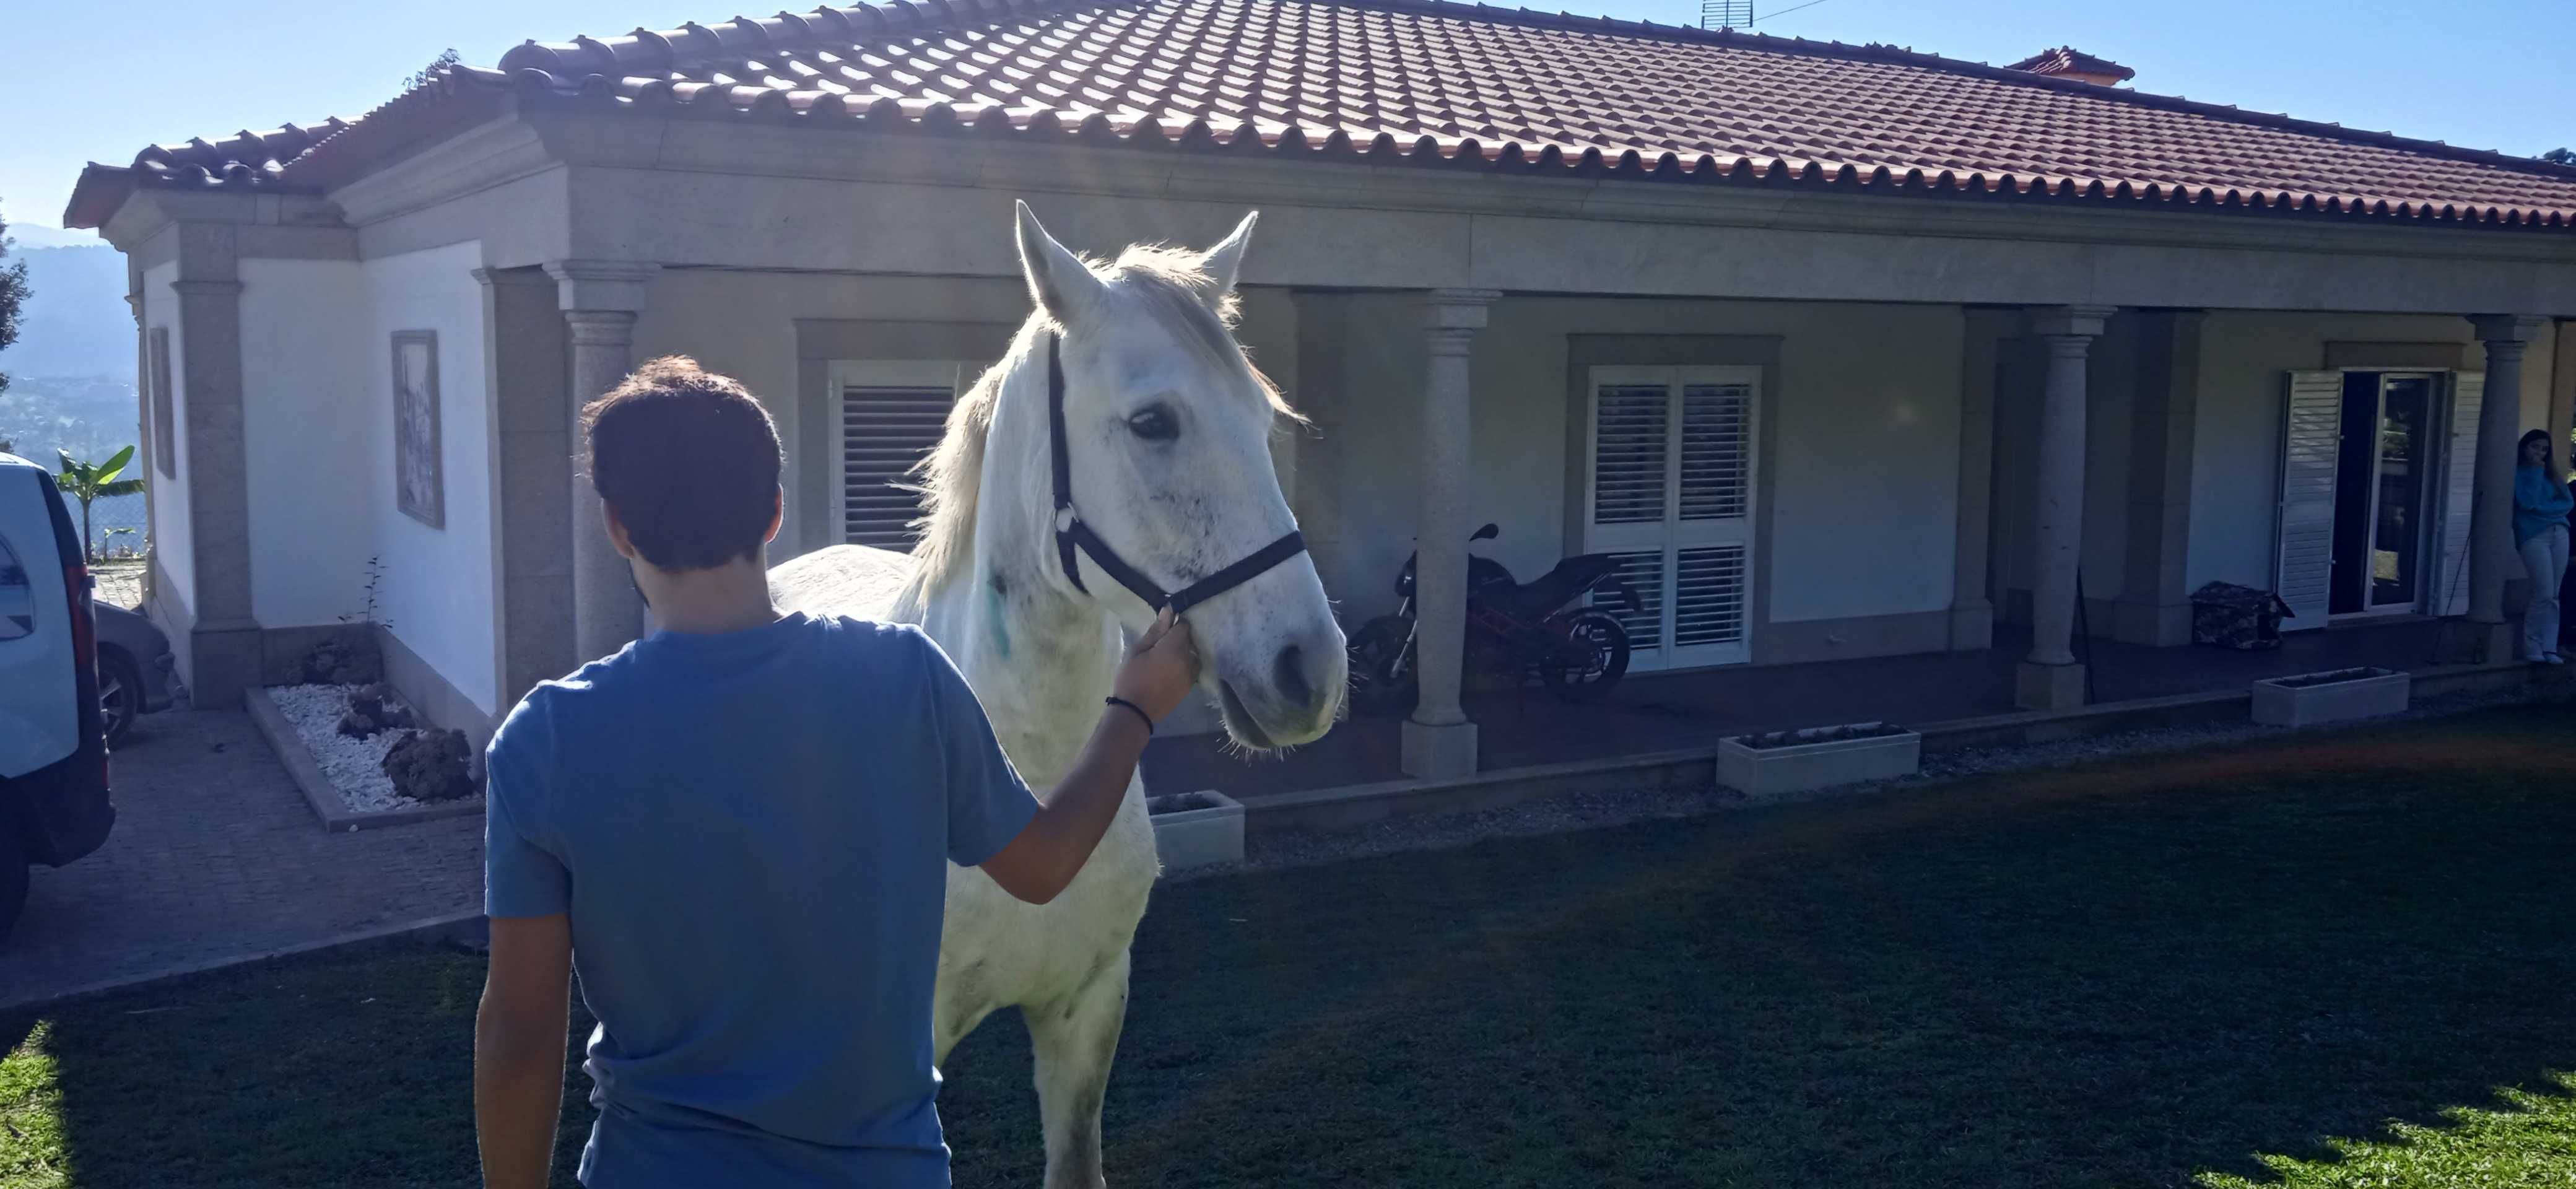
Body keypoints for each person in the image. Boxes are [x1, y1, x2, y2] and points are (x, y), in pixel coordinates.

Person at [471, 357, 1200, 1188]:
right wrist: (1134, 708)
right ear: (775, 512)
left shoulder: (545, 740)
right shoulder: (904, 679)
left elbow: (522, 1030)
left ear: (618, 529)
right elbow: (1043, 867)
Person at [2512, 427, 2572, 664]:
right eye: (2535, 447)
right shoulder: (2518, 472)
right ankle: (2532, 647)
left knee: (2555, 594)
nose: (2540, 452)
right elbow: (2527, 503)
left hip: (2559, 533)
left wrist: (2543, 511)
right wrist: (2536, 471)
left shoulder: (2553, 475)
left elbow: (2566, 503)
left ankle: (2550, 648)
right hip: (2532, 536)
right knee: (2543, 593)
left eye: (2545, 449)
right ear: (2525, 447)